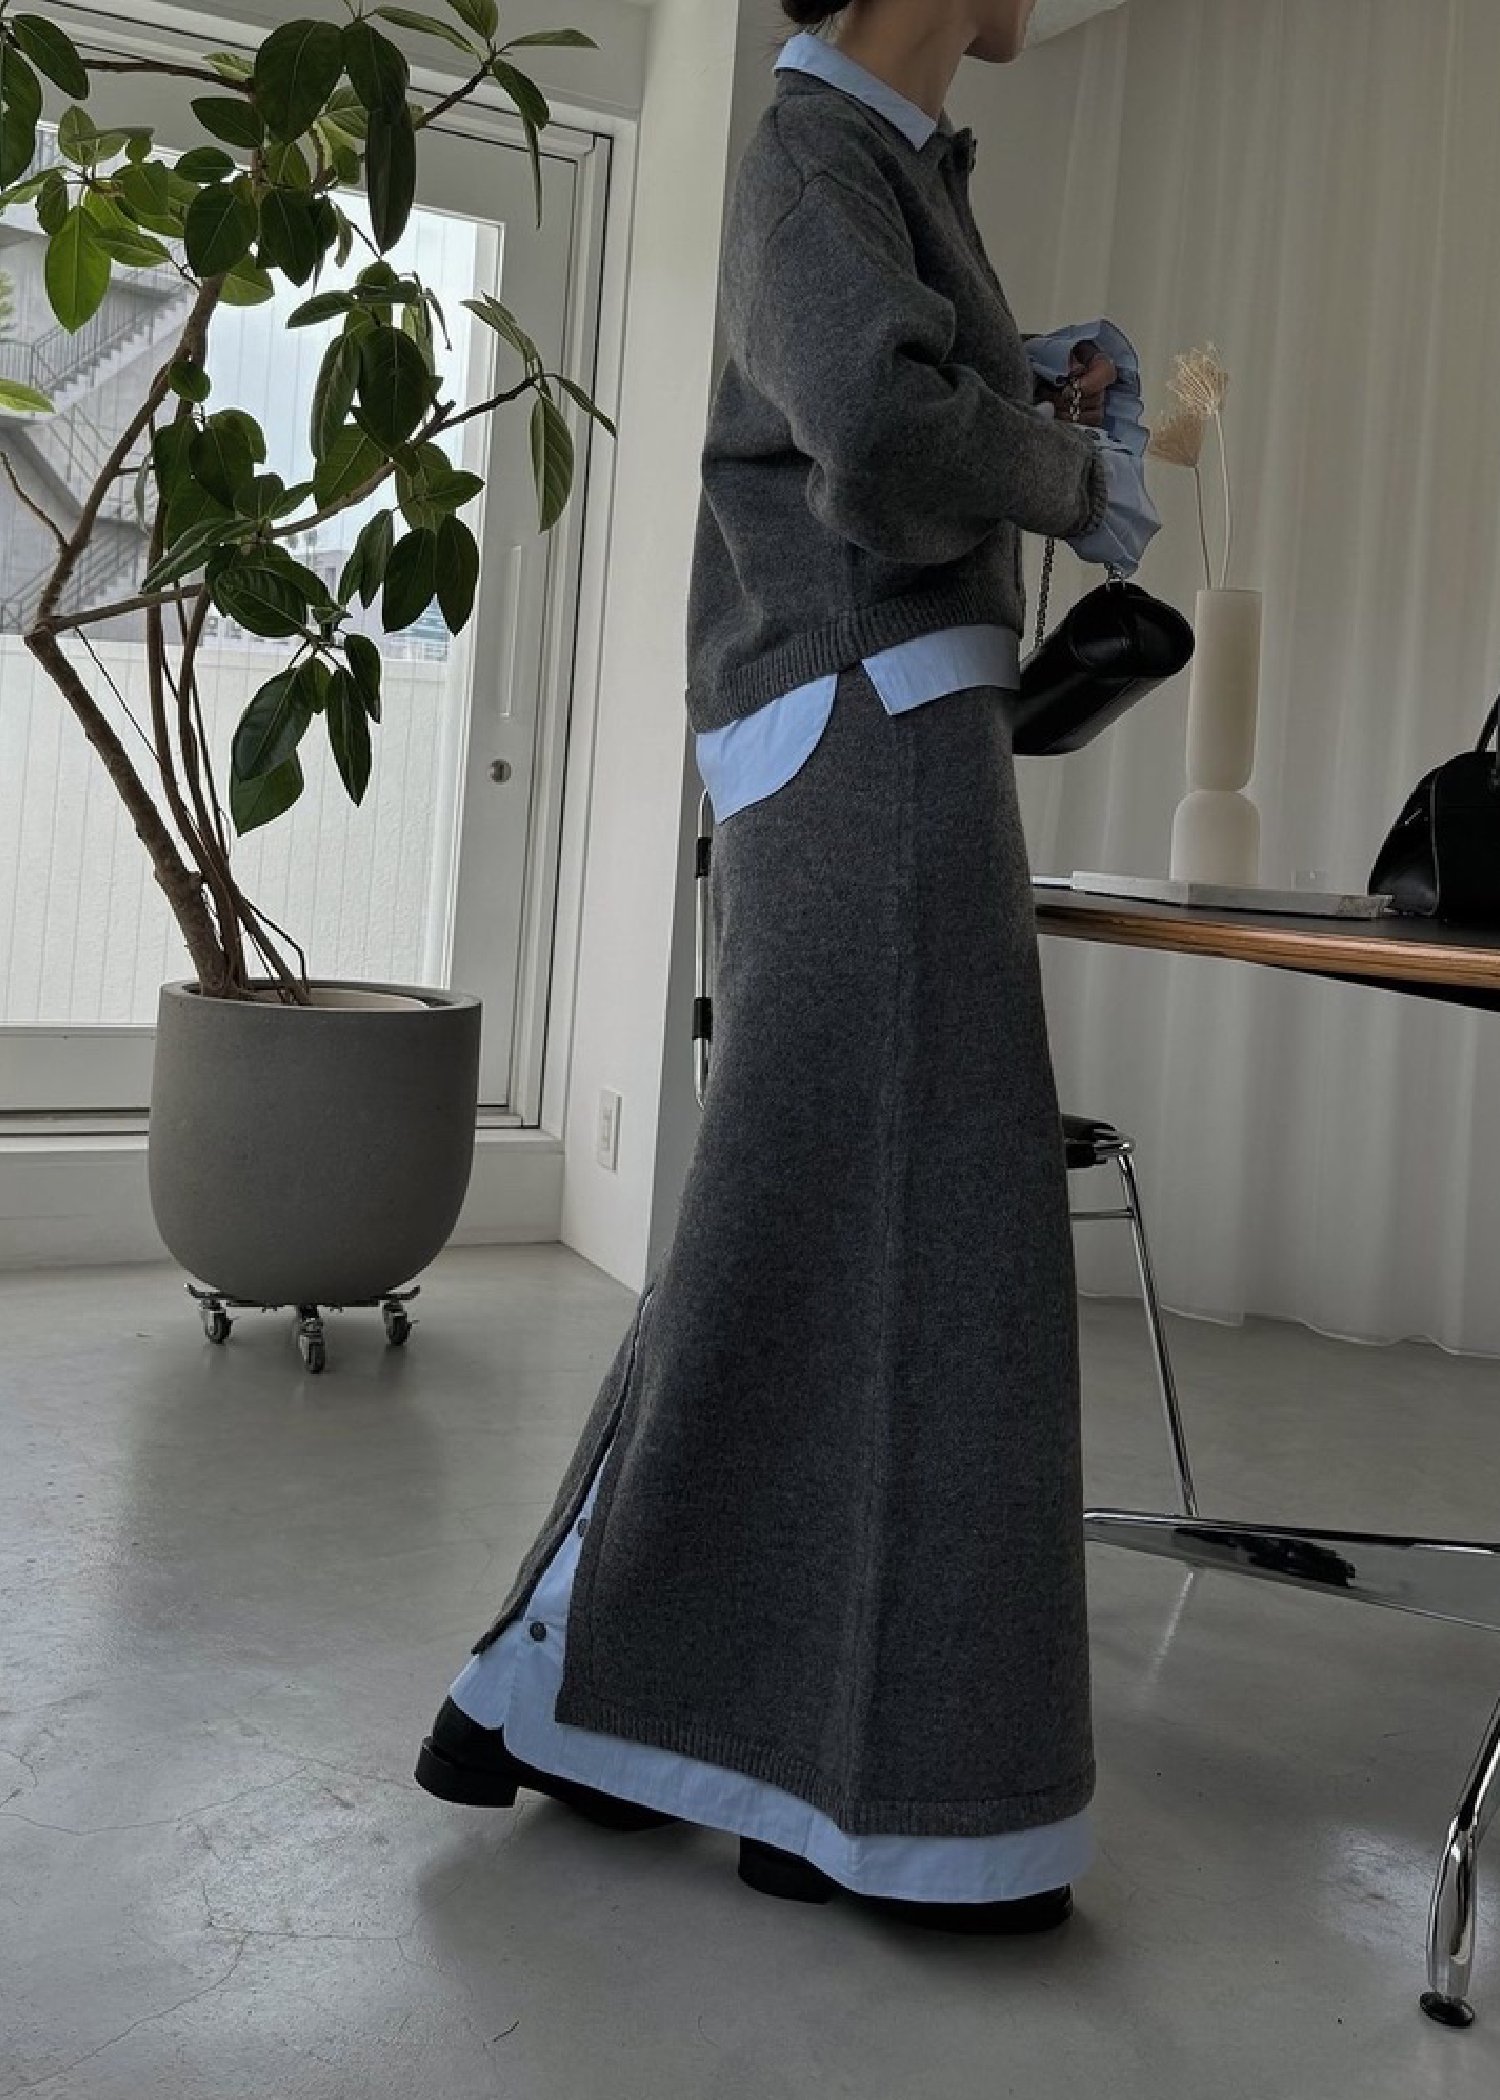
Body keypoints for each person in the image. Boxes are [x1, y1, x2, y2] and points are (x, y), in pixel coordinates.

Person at [416, 0, 1158, 1932]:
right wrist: (1074, 477)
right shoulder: (816, 155)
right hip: (866, 730)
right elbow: (878, 427)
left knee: (843, 1226)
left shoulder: (869, 161)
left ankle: (660, 1721)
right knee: (898, 1238)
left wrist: (1030, 393)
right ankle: (798, 1766)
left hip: (872, 727)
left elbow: (881, 406)